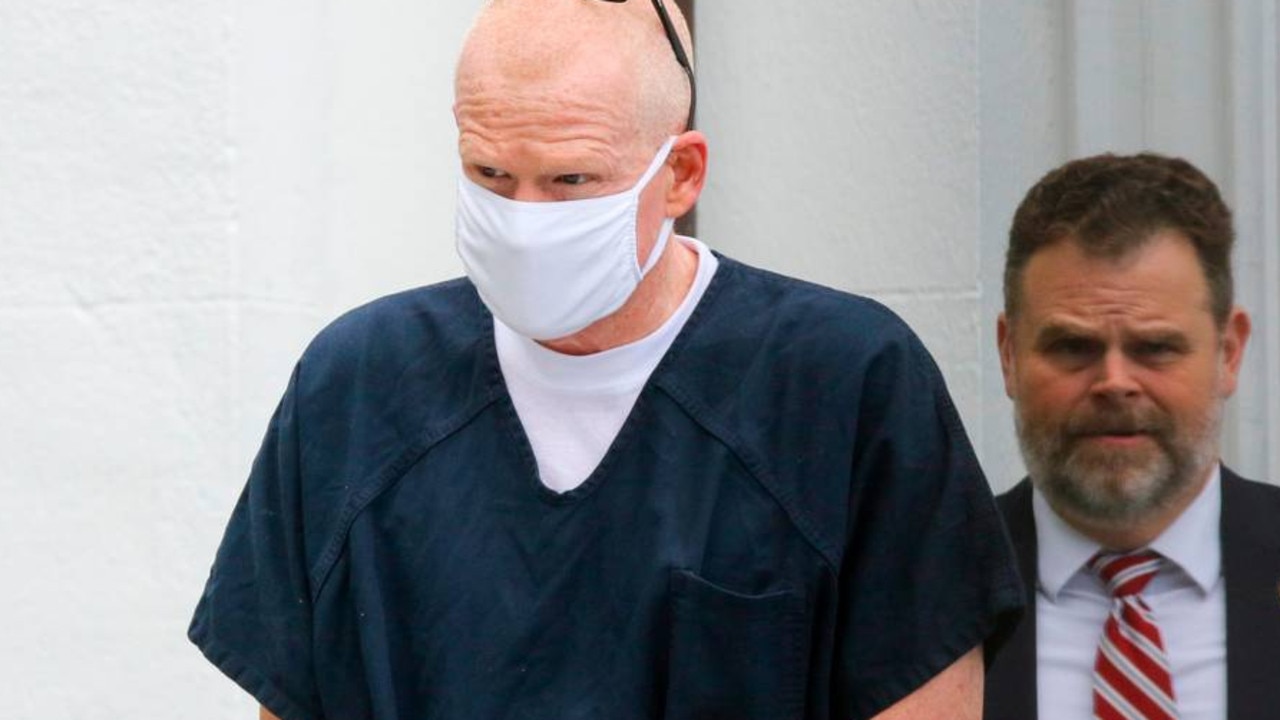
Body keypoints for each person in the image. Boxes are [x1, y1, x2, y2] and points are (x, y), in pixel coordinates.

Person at [190, 1, 1022, 718]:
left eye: (570, 180)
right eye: (489, 173)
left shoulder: (842, 386)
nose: (523, 219)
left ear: (681, 174)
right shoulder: (360, 386)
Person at [984, 152, 1280, 720]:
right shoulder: (924, 593)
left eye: (1156, 348)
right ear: (1009, 355)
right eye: (1073, 347)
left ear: (1229, 351)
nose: (1114, 383)